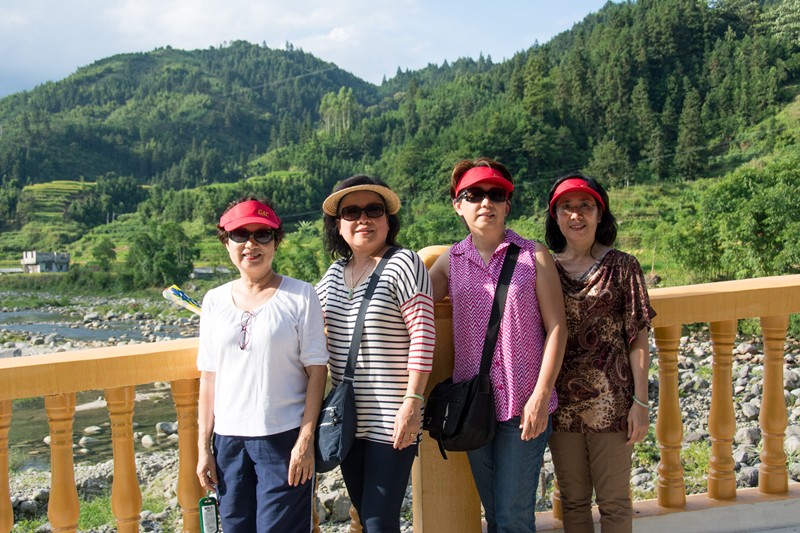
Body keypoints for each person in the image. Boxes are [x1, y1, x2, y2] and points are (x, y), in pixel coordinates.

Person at [429, 158, 567, 533]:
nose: (485, 203)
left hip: (525, 404)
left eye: (496, 194)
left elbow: (557, 328)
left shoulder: (533, 255)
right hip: (476, 405)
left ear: (508, 204)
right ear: (458, 205)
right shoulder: (451, 260)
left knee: (513, 518)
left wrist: (541, 396)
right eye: (473, 195)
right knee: (495, 515)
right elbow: (413, 301)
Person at [196, 196, 328, 533]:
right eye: (240, 234)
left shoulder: (301, 295)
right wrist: (203, 448)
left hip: (283, 439)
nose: (251, 244)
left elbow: (317, 372)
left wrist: (305, 440)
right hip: (228, 442)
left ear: (275, 242)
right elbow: (209, 379)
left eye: (262, 235)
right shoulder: (214, 301)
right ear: (226, 242)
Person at [315, 175, 435, 532]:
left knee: (379, 520)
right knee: (367, 518)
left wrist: (412, 402)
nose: (363, 219)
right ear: (338, 225)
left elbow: (423, 334)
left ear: (388, 219)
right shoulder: (335, 274)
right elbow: (302, 320)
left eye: (373, 210)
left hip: (391, 418)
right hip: (347, 418)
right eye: (351, 212)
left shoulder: (404, 263)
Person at [544, 174, 656, 533]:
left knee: (614, 502)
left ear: (600, 213)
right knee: (573, 501)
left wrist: (641, 402)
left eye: (585, 206)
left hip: (612, 404)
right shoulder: (545, 268)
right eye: (566, 207)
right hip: (561, 405)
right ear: (555, 216)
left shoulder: (623, 266)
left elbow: (638, 338)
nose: (576, 215)